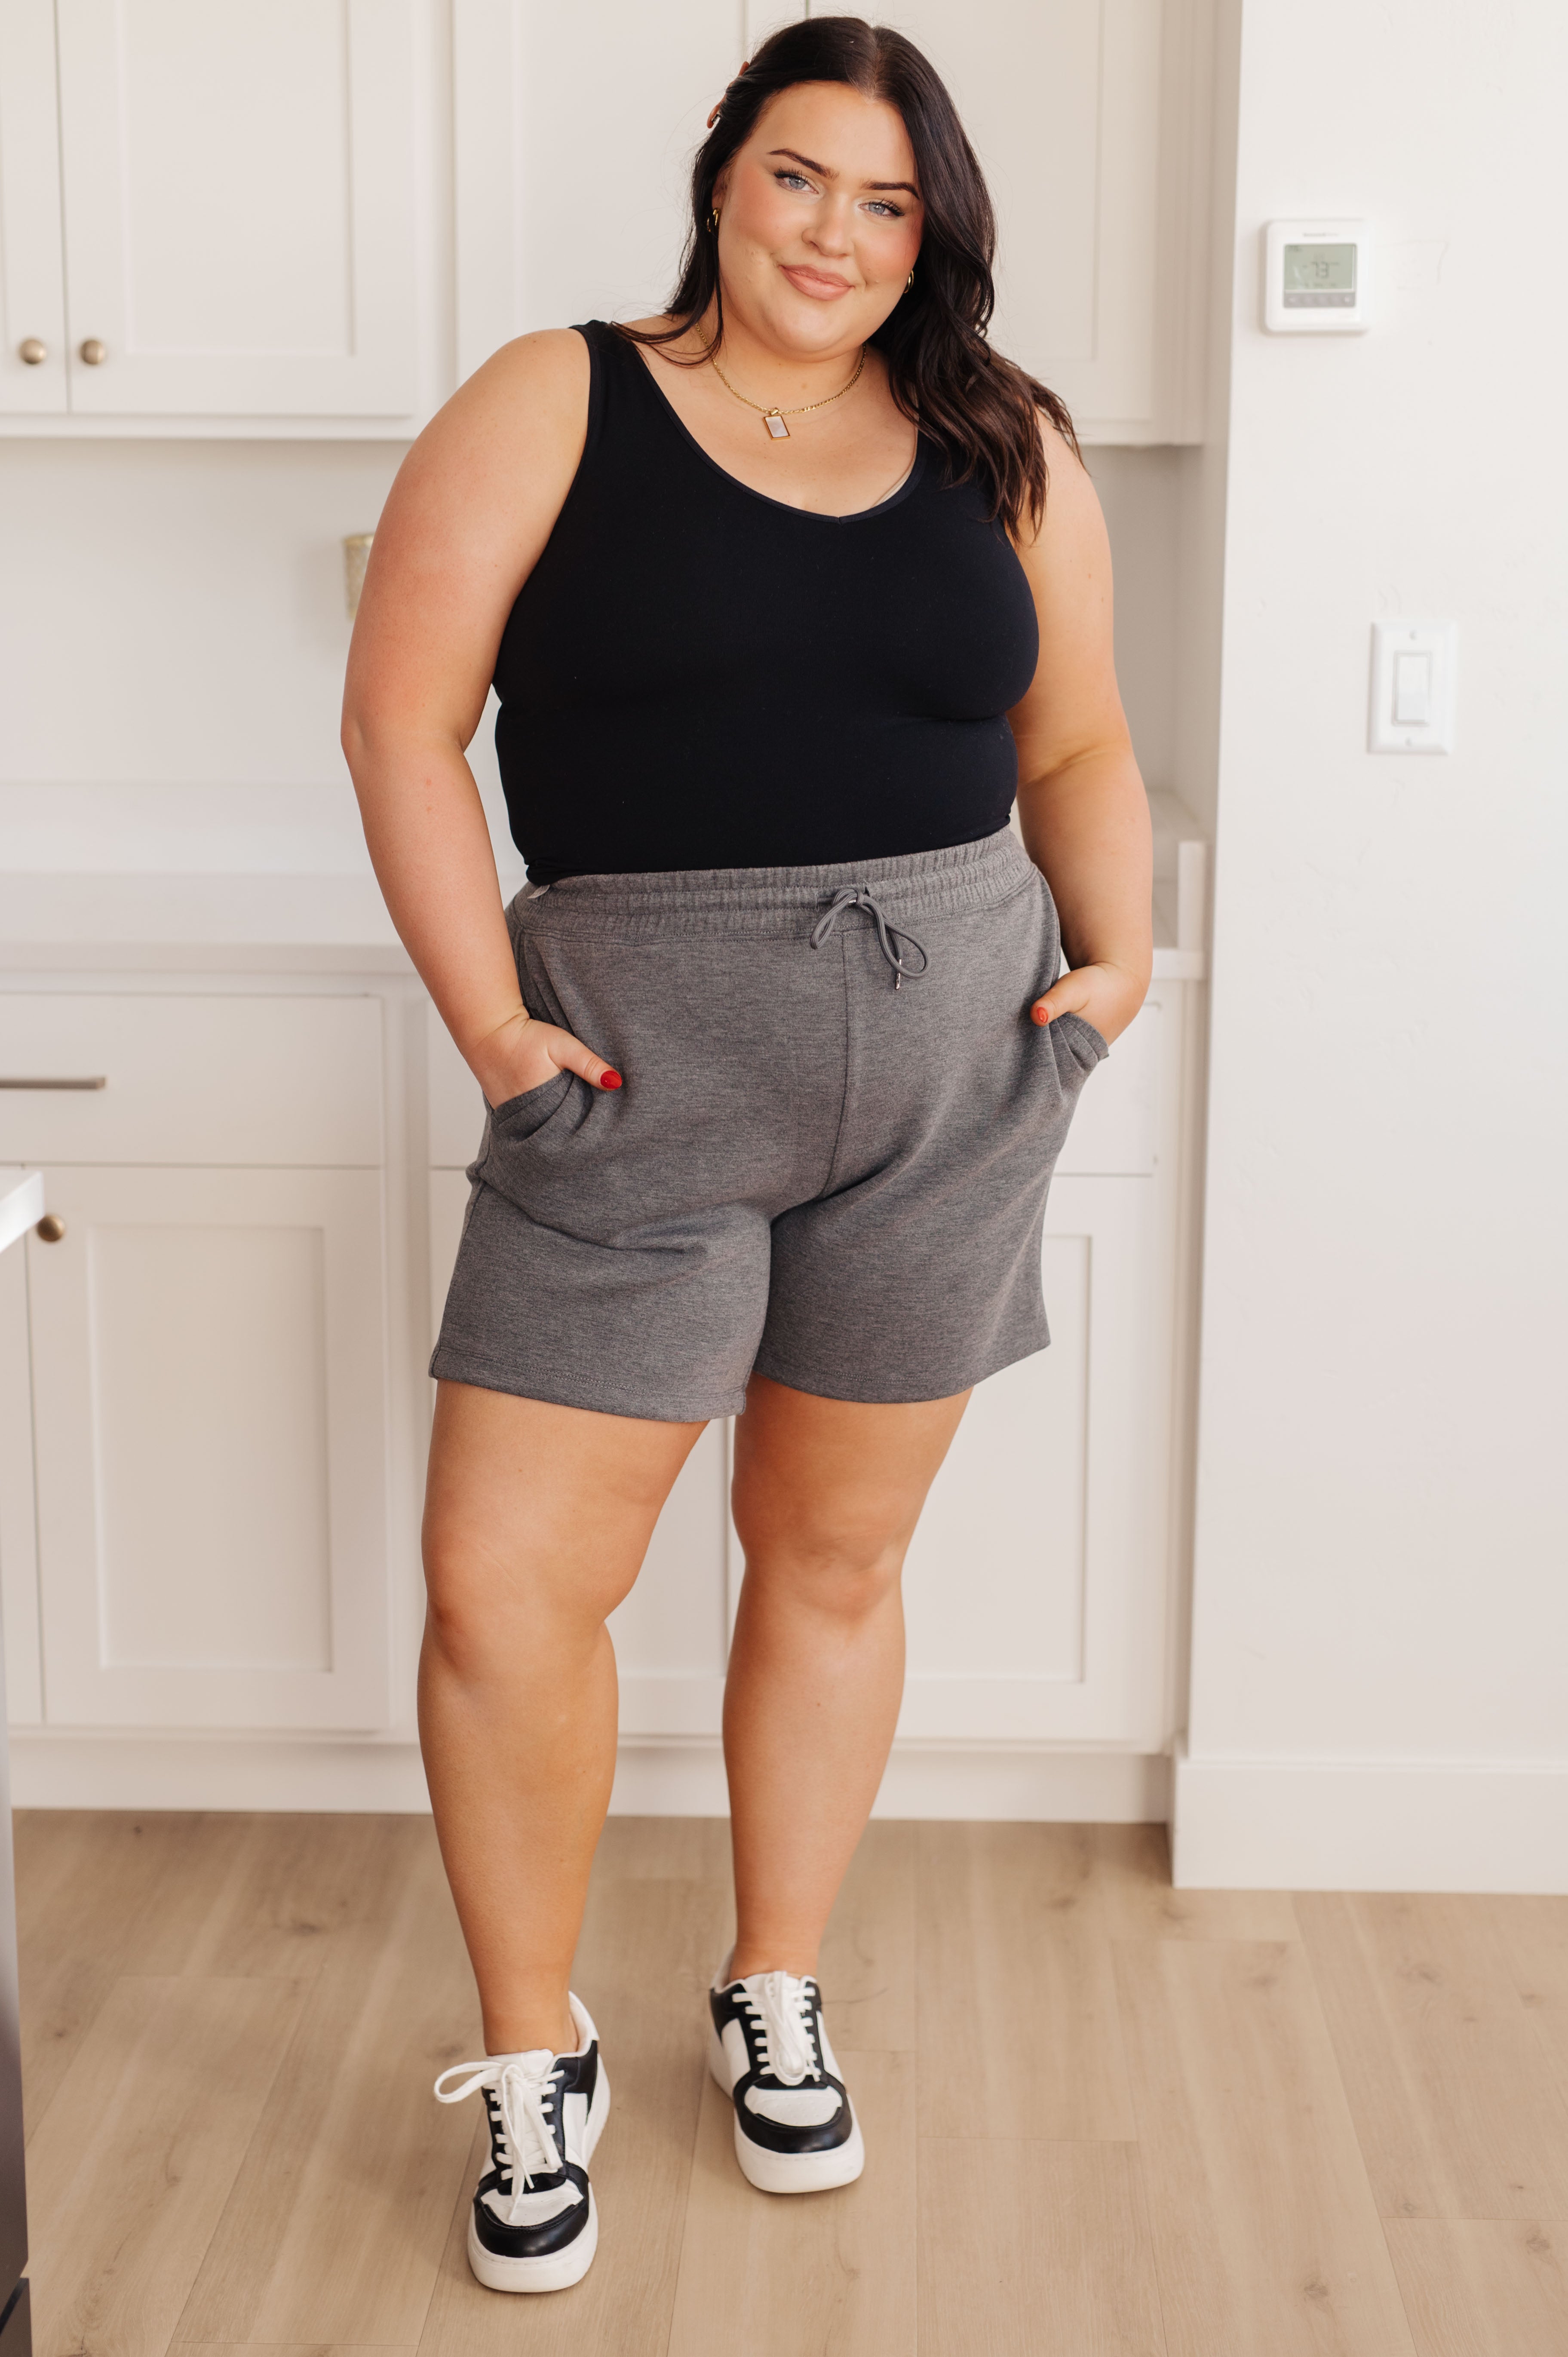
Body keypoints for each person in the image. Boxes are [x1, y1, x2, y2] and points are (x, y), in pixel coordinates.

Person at [342, 12, 1151, 2298]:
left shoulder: (1004, 439)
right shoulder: (556, 398)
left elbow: (1078, 738)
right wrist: (494, 1030)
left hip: (957, 1064)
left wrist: (1126, 962)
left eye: (889, 203)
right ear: (723, 172)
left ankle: (771, 1982)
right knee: (509, 1589)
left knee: (833, 1559)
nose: (836, 234)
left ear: (933, 231)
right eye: (801, 176)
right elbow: (401, 721)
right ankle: (536, 2050)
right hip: (631, 1075)